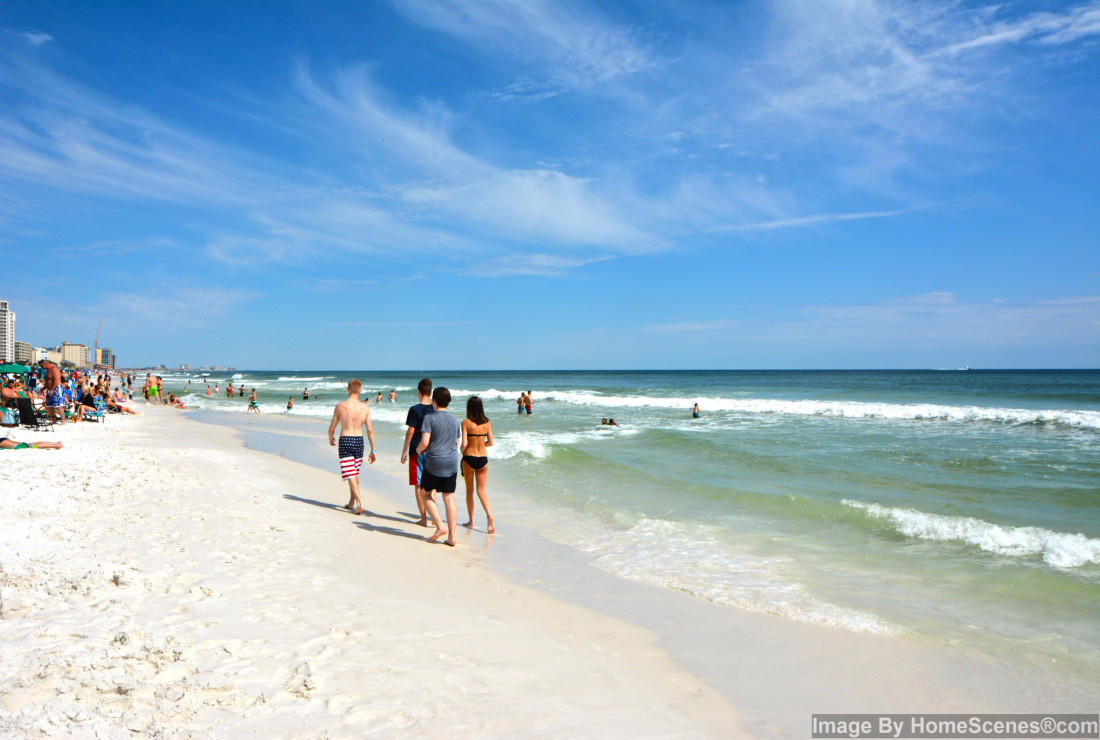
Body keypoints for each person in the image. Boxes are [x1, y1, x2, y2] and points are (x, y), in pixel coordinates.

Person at [416, 387, 461, 547]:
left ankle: (440, 527)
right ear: (448, 402)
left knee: (425, 494)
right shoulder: (455, 420)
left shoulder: (429, 418)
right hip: (452, 461)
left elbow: (425, 442)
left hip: (435, 461)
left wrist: (419, 449)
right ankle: (452, 537)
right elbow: (456, 443)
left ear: (434, 401)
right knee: (449, 497)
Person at [327, 379, 376, 515]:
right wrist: (373, 450)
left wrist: (331, 438)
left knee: (350, 473)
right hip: (359, 441)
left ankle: (359, 503)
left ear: (348, 389)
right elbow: (370, 430)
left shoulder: (340, 406)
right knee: (354, 472)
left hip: (346, 440)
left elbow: (332, 428)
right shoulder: (365, 408)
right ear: (360, 391)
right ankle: (351, 502)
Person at [400, 378, 434, 526]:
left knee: (418, 485)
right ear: (431, 392)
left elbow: (410, 431)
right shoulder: (435, 409)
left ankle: (424, 518)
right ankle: (433, 517)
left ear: (419, 392)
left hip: (416, 449)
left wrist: (404, 451)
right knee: (431, 484)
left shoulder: (414, 410)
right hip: (432, 450)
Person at [460, 396, 495, 534]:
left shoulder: (465, 423)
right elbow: (491, 442)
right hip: (483, 459)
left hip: (469, 458)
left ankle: (471, 521)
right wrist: (481, 444)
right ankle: (489, 516)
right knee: (482, 491)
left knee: (470, 491)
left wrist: (464, 451)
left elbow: (463, 445)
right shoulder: (487, 423)